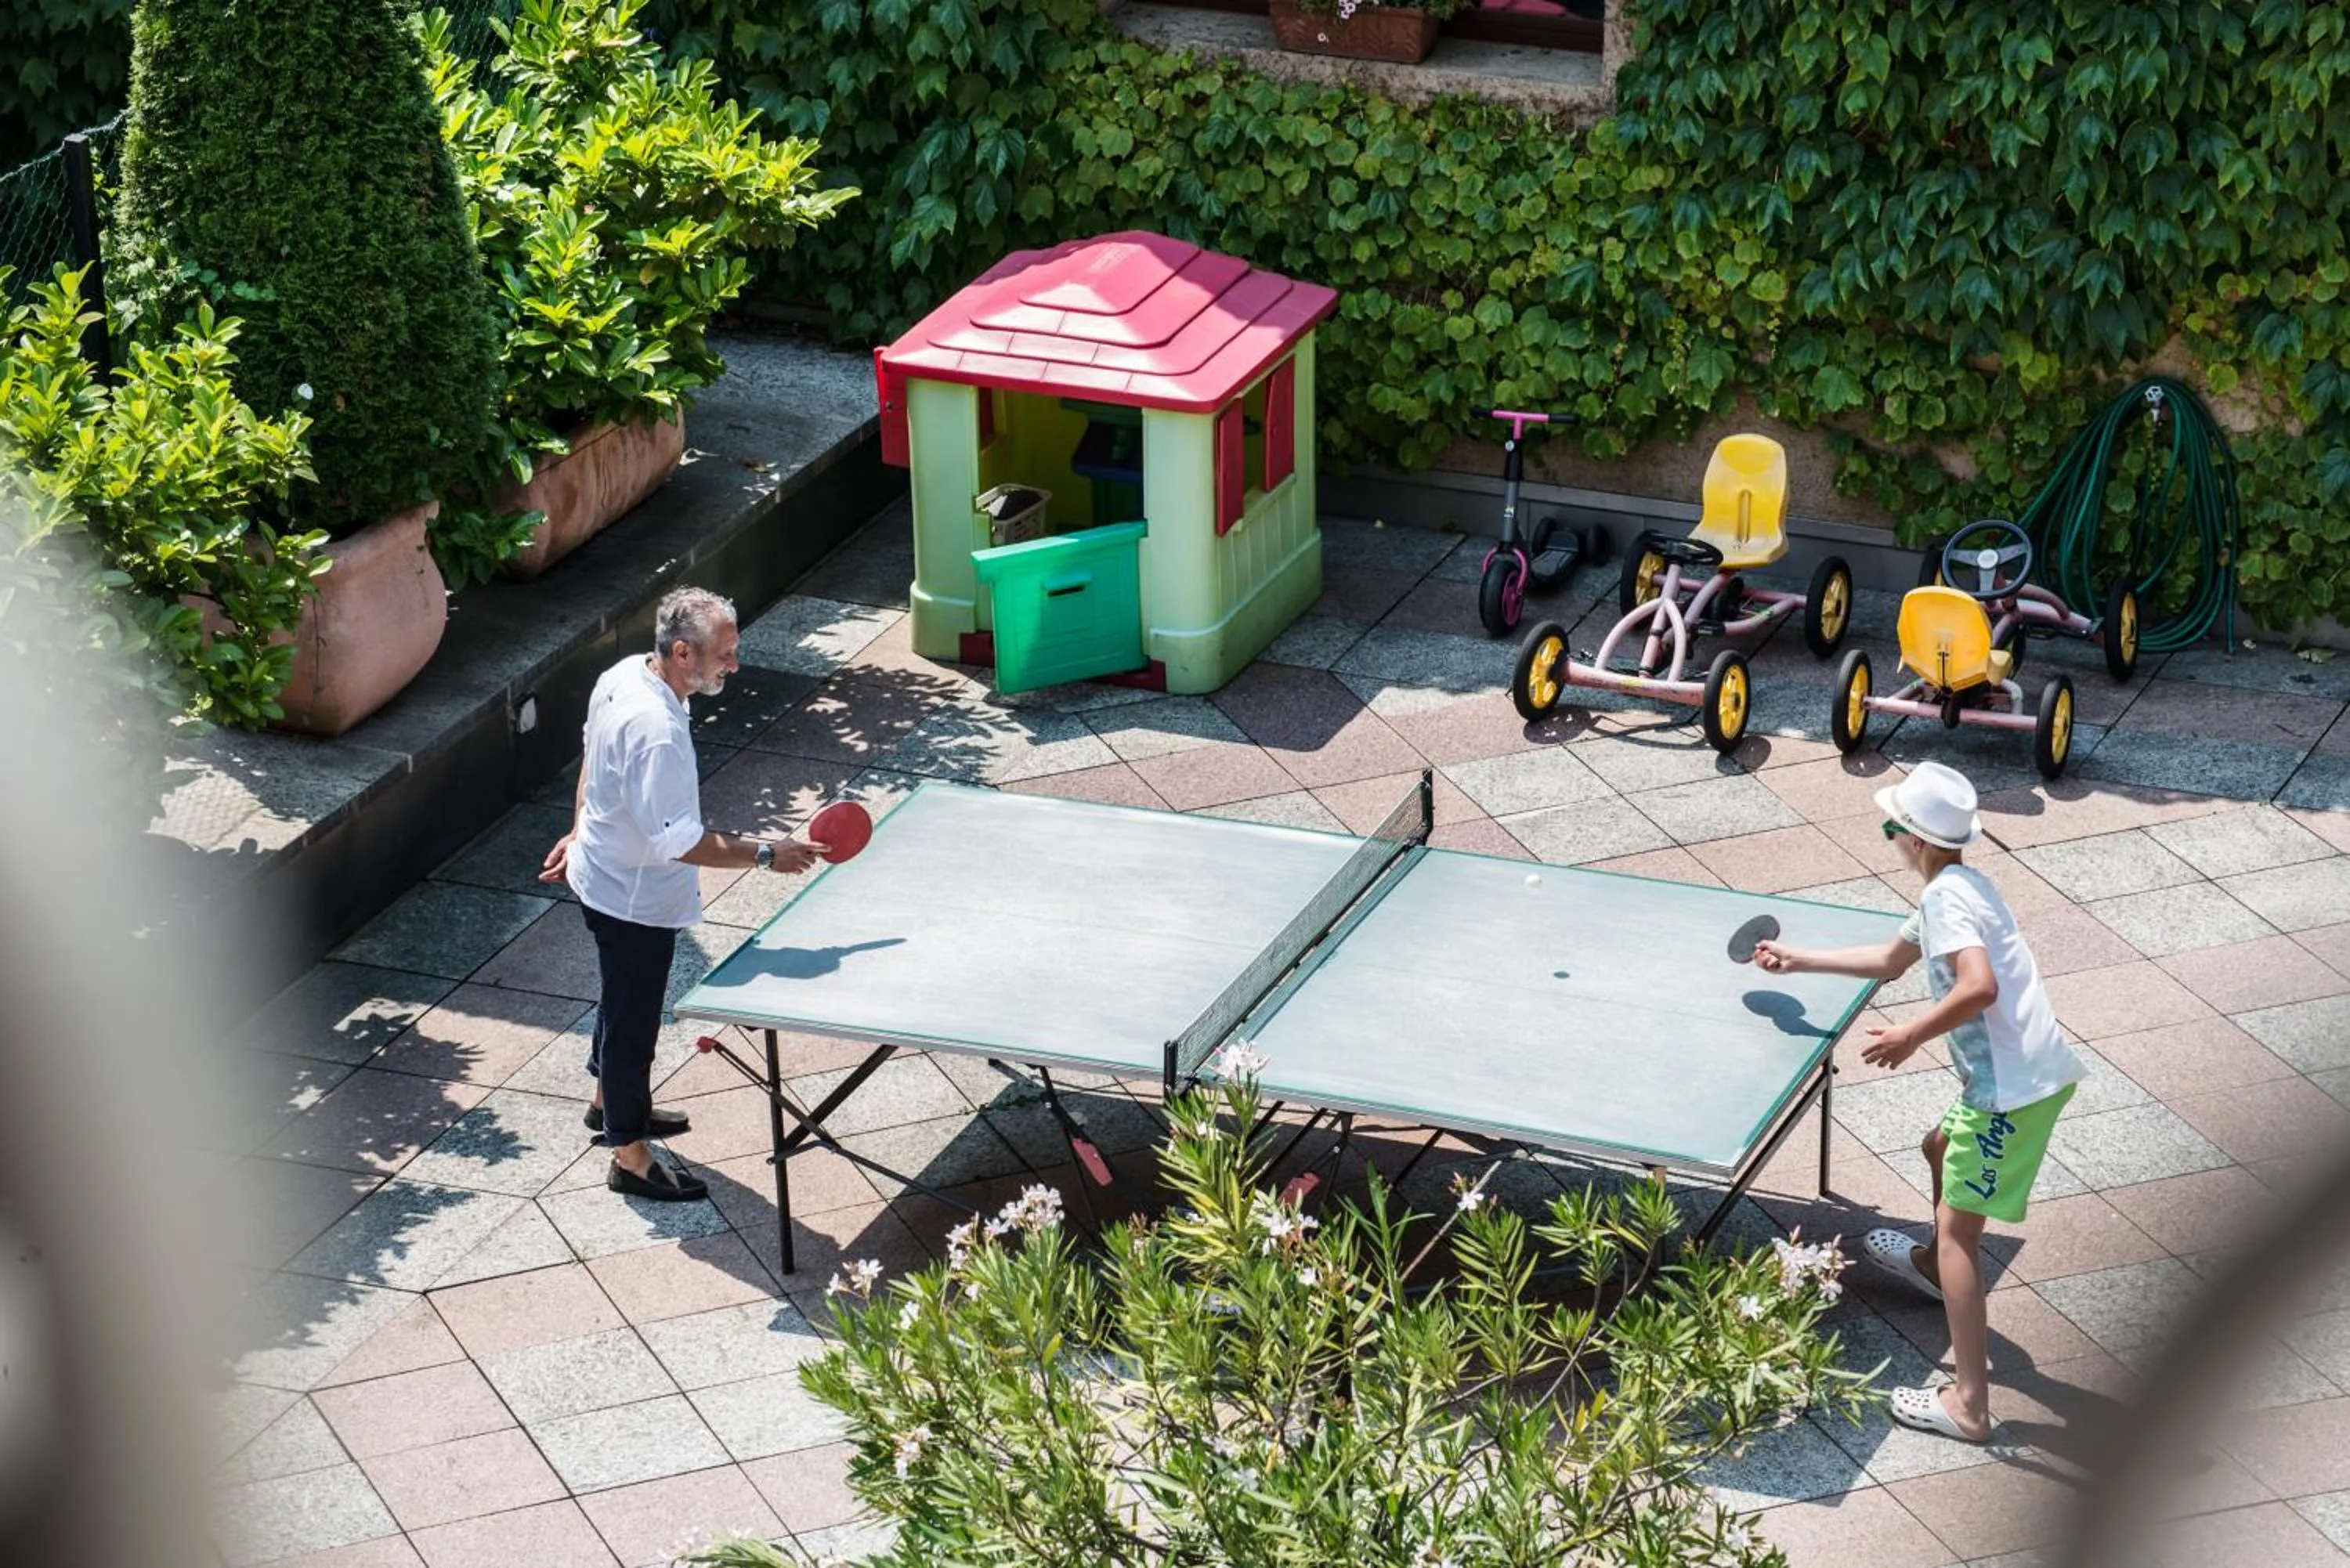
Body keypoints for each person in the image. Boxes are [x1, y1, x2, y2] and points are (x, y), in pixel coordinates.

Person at [1753, 760, 2084, 1443]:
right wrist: (1798, 959)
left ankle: (1969, 1406)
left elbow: (1980, 987)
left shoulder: (1947, 900)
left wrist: (1908, 1034)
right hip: (2028, 1080)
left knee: (1961, 1232)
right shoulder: (1962, 883)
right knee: (1938, 1146)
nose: (1889, 838)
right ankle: (1935, 1268)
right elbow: (1887, 960)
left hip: (2009, 1096)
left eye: (1890, 828)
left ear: (1918, 841)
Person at [539, 587, 822, 1201]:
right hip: (632, 898)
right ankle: (630, 1154)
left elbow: (592, 760)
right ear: (683, 651)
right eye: (724, 654)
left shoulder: (624, 675)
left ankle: (607, 1102)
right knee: (633, 1022)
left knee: (619, 1000)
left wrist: (578, 829)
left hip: (601, 872)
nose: (734, 664)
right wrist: (767, 854)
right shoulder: (659, 732)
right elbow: (682, 842)